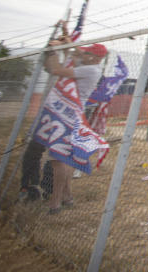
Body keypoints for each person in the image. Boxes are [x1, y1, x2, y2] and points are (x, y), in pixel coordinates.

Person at [20, 36, 106, 204]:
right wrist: (67, 41)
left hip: (67, 116)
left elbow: (56, 70)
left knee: (57, 159)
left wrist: (52, 49)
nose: (84, 54)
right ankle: (59, 196)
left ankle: (54, 198)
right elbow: (78, 54)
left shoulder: (91, 69)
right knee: (53, 157)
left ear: (96, 58)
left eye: (88, 53)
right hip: (61, 113)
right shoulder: (88, 64)